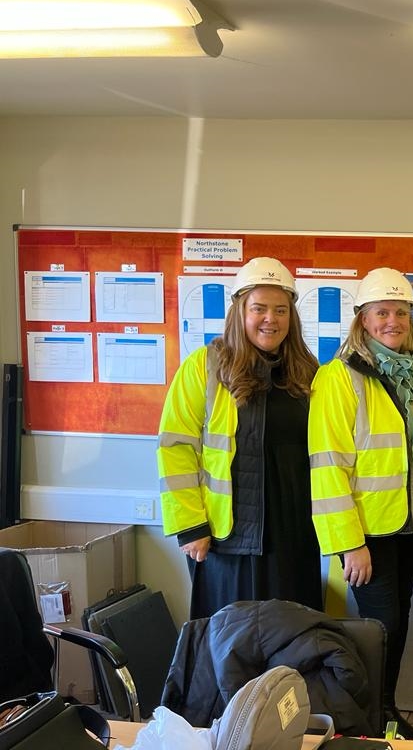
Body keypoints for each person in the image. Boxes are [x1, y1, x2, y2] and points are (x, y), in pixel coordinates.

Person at [308, 267, 413, 740]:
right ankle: (368, 720)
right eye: (382, 312)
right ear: (362, 319)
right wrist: (349, 543)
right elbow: (328, 467)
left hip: (407, 529)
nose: (392, 321)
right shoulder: (340, 378)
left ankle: (384, 712)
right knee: (377, 631)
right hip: (368, 535)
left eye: (400, 312)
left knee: (397, 625)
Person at [157, 256, 322, 620]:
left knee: (293, 640)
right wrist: (190, 526)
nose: (271, 319)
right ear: (239, 310)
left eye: (281, 310)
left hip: (294, 538)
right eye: (259, 308)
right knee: (232, 647)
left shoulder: (308, 372)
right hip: (228, 539)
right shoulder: (206, 366)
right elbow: (175, 449)